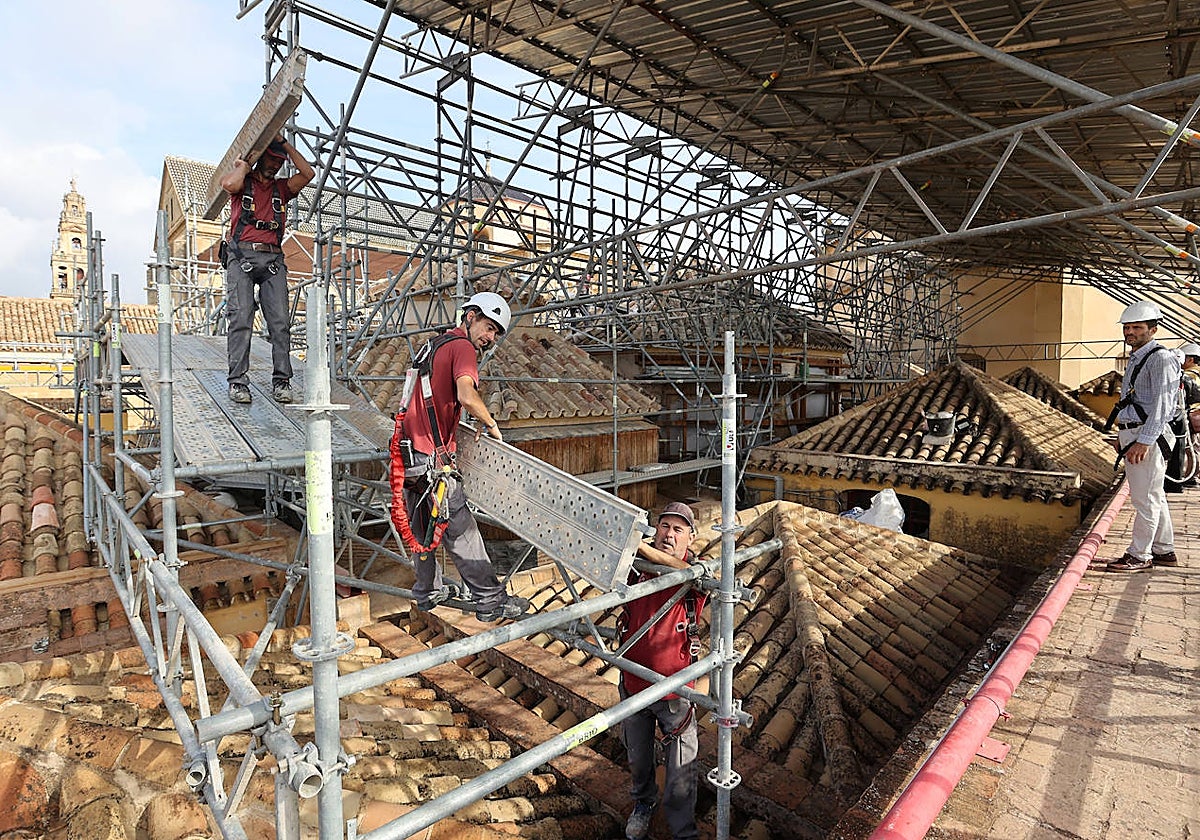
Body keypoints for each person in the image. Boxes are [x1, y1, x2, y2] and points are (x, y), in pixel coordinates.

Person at [394, 292, 530, 623]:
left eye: (496, 333)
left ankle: (427, 590)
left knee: (422, 526)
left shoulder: (433, 346)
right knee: (461, 530)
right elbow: (466, 395)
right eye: (489, 327)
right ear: (470, 317)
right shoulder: (463, 348)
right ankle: (490, 600)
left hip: (409, 456)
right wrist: (491, 422)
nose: (491, 338)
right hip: (431, 461)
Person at [619, 502, 706, 840]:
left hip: (674, 691)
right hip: (633, 682)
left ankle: (683, 830)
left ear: (690, 537)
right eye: (664, 526)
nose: (669, 534)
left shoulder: (697, 572)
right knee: (639, 758)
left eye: (678, 529)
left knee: (681, 771)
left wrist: (639, 546)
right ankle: (643, 804)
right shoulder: (637, 567)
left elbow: (680, 569)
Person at [219, 134, 315, 405]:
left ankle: (282, 381)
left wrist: (284, 144)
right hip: (242, 257)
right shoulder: (243, 183)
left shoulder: (281, 189)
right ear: (260, 159)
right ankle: (238, 382)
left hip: (272, 260)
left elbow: (308, 173)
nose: (275, 165)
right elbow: (229, 184)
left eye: (279, 162)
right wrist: (243, 165)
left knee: (280, 323)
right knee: (241, 320)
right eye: (271, 160)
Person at [1106, 301, 1180, 571]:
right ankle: (1163, 550)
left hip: (1146, 435)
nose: (1130, 332)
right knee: (1153, 495)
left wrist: (1144, 441)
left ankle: (1140, 555)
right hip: (1135, 431)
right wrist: (1123, 434)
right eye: (1127, 328)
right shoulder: (1138, 357)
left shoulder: (1160, 358)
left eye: (1137, 327)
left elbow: (1163, 405)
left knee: (1144, 499)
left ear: (1153, 329)